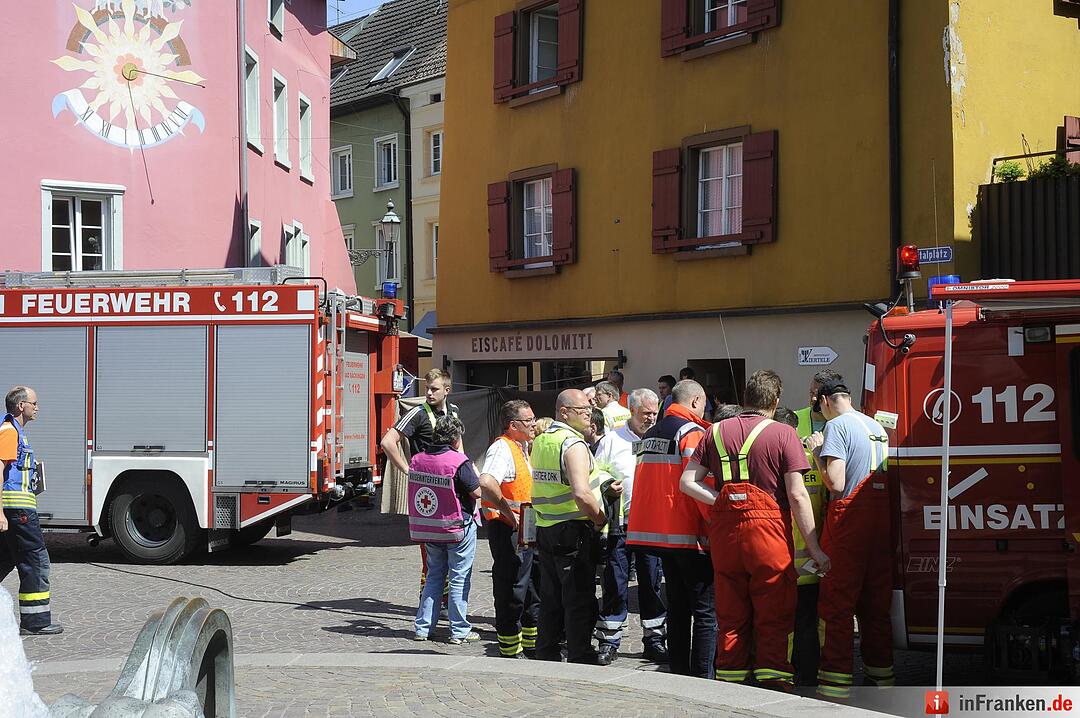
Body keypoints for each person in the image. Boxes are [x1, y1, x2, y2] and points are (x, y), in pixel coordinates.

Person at [681, 370, 829, 688]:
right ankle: (772, 678)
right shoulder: (783, 434)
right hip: (768, 531)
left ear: (746, 398)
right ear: (775, 401)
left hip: (726, 534)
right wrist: (814, 547)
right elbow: (797, 495)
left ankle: (731, 678)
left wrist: (723, 500)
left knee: (730, 610)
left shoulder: (714, 431)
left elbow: (688, 482)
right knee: (773, 608)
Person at [806, 379, 894, 699]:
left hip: (849, 522)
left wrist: (817, 452)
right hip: (880, 523)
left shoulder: (837, 426)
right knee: (875, 605)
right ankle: (882, 679)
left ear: (825, 401)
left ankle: (835, 684)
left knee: (837, 605)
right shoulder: (876, 426)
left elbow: (837, 482)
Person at [627, 380, 715, 678]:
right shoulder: (691, 432)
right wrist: (715, 523)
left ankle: (679, 671)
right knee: (704, 612)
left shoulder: (652, 433)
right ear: (695, 401)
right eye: (704, 403)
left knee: (678, 608)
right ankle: (703, 678)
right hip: (690, 534)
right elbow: (700, 484)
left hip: (659, 535)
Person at [531, 389, 614, 664]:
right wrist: (600, 519)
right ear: (564, 412)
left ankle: (546, 651)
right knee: (578, 597)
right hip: (573, 529)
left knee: (550, 596)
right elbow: (581, 493)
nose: (589, 414)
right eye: (583, 410)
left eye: (590, 409)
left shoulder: (542, 440)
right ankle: (581, 654)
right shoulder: (573, 444)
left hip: (546, 526)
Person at [593, 388, 667, 666]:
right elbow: (596, 471)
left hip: (652, 524)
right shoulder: (612, 440)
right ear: (632, 411)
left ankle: (655, 640)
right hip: (621, 524)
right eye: (646, 413)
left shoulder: (660, 439)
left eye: (654, 413)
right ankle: (609, 641)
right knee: (615, 581)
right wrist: (605, 484)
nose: (651, 418)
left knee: (652, 583)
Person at [381, 369, 460, 604]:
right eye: (427, 388)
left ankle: (445, 599)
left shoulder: (454, 411)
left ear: (447, 390)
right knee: (431, 549)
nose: (429, 393)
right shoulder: (417, 413)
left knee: (452, 544)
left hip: (449, 487)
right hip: (427, 491)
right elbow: (388, 442)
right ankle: (430, 600)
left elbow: (458, 446)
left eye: (434, 389)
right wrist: (407, 470)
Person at [786, 368, 841, 686]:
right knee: (801, 610)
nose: (810, 397)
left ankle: (822, 665)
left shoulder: (845, 422)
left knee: (827, 610)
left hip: (833, 523)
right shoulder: (796, 420)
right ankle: (799, 667)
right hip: (803, 528)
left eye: (816, 393)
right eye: (809, 391)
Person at [409, 415, 481, 644]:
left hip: (429, 528)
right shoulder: (458, 461)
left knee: (433, 576)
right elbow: (477, 492)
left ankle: (423, 628)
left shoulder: (417, 460)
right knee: (459, 577)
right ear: (456, 438)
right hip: (457, 527)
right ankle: (459, 631)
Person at [478, 400, 539, 659]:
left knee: (531, 586)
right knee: (512, 587)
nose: (534, 424)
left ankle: (532, 643)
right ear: (513, 425)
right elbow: (486, 482)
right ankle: (510, 647)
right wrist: (507, 511)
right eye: (528, 420)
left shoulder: (522, 447)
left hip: (525, 528)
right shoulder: (502, 448)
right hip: (508, 529)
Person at [0, 387, 62, 635]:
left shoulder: (16, 431)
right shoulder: (9, 432)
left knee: (5, 558)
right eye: (34, 403)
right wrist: (0, 513)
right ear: (20, 406)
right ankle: (35, 622)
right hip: (18, 511)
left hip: (17, 509)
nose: (37, 408)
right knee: (36, 561)